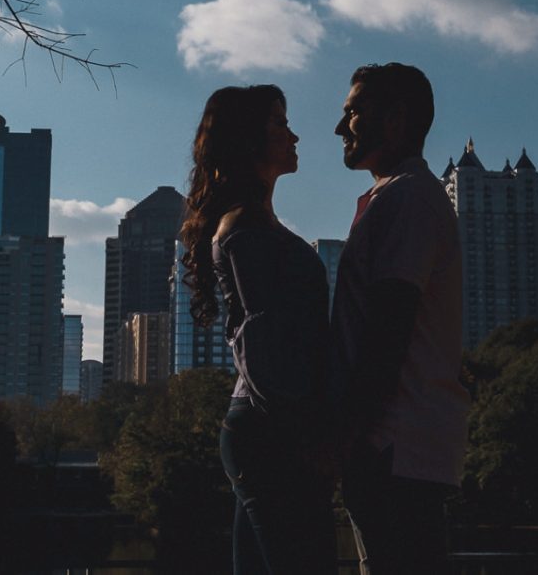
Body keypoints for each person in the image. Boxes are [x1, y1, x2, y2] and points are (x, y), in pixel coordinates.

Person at [179, 84, 337, 575]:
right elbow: (262, 343)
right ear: (247, 139)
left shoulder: (258, 223)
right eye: (278, 123)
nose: (293, 134)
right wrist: (309, 437)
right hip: (273, 432)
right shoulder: (244, 228)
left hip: (265, 429)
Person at [330, 63, 468, 574]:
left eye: (352, 113)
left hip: (392, 449)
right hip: (393, 448)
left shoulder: (408, 198)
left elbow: (389, 327)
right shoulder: (394, 197)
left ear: (394, 119)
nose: (341, 127)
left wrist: (347, 437)